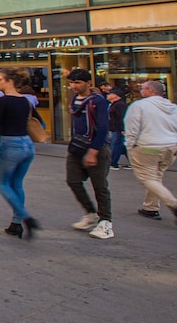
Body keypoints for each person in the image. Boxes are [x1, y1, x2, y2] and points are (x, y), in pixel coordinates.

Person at [0, 68, 40, 241]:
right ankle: (16, 223)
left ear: (9, 81)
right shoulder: (25, 101)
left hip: (11, 144)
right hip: (27, 143)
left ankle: (26, 217)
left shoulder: (3, 101)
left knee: (2, 183)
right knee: (17, 183)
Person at [65, 68, 114, 239]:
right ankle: (91, 213)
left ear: (88, 83)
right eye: (71, 83)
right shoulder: (74, 100)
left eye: (77, 83)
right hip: (77, 147)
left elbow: (103, 128)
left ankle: (106, 222)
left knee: (100, 186)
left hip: (97, 148)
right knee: (72, 180)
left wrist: (93, 151)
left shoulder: (98, 101)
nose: (73, 86)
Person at [123, 80, 177, 223]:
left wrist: (129, 147)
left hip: (147, 147)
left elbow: (132, 129)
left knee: (147, 178)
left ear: (149, 91)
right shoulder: (172, 107)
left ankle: (173, 203)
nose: (140, 90)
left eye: (143, 88)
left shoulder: (139, 106)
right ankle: (151, 207)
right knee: (156, 177)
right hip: (170, 147)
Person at [106, 90, 131, 170]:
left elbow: (123, 117)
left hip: (118, 128)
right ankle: (133, 162)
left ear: (116, 96)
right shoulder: (113, 104)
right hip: (115, 128)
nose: (108, 95)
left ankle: (113, 163)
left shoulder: (120, 105)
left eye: (110, 94)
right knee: (122, 146)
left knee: (116, 145)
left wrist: (123, 128)